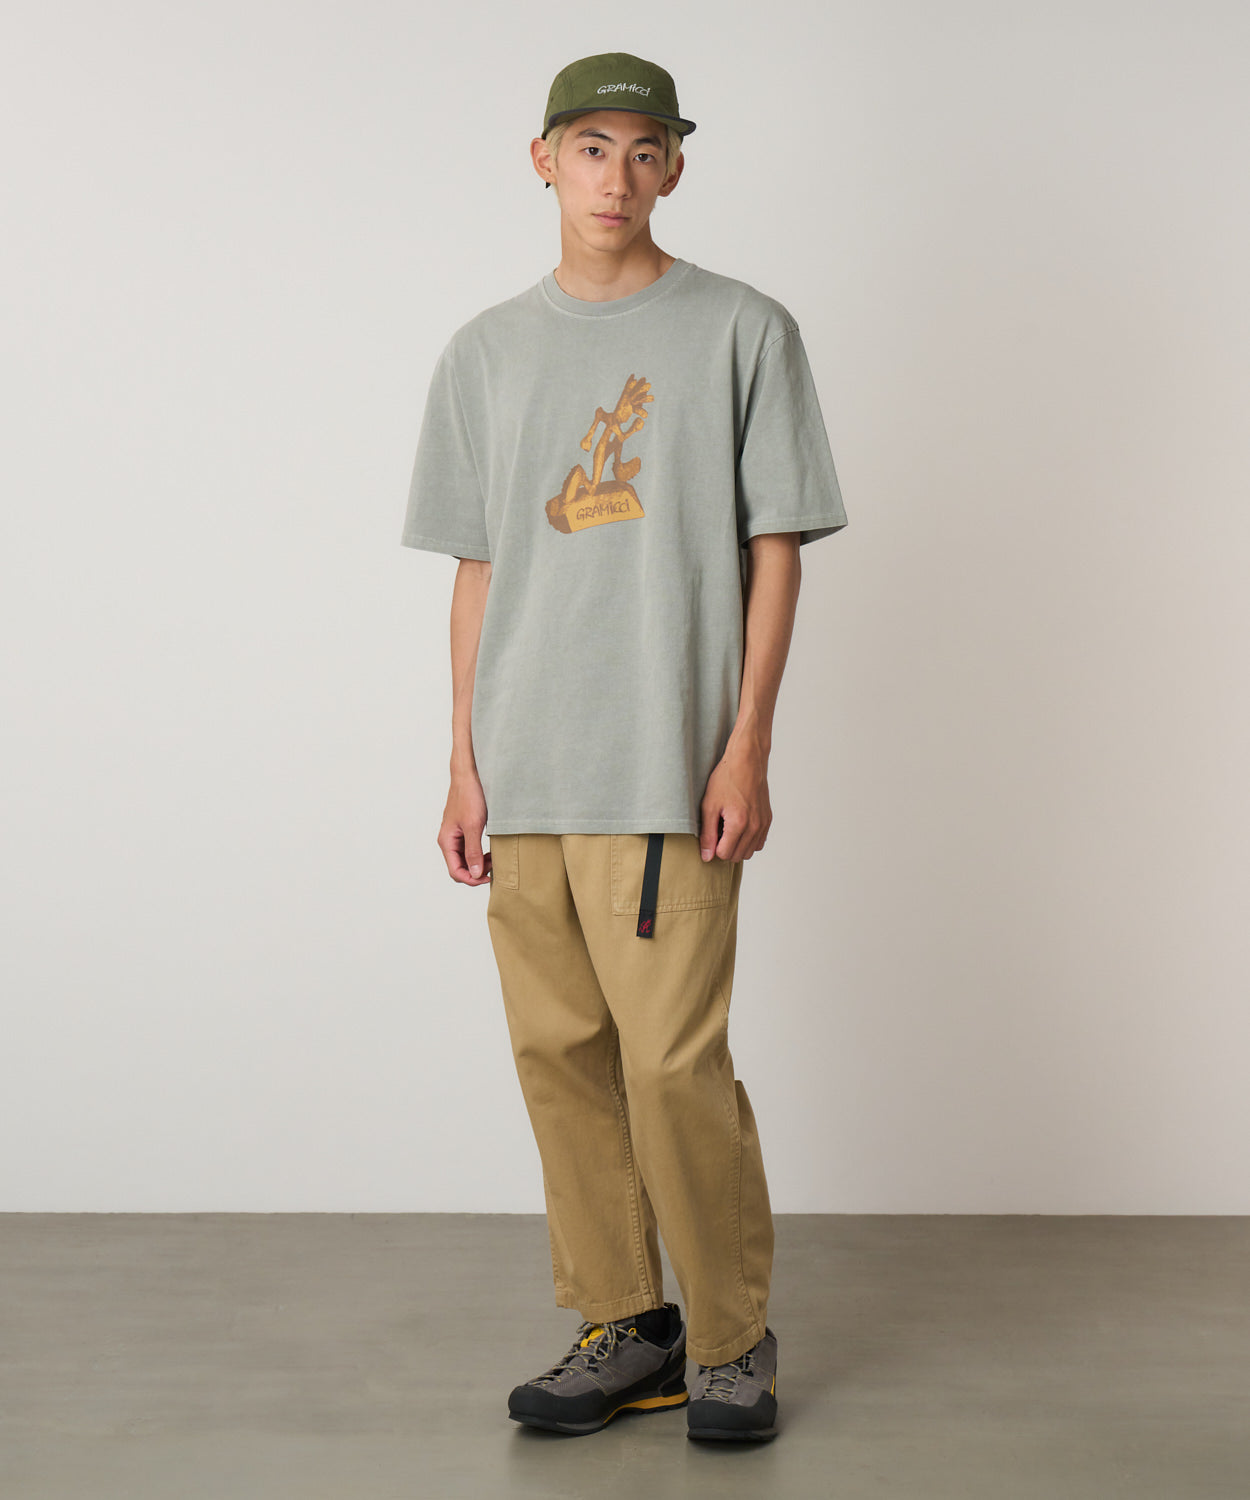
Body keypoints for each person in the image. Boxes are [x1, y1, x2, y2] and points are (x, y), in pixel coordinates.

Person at [401, 51, 847, 1444]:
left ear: (675, 168)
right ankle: (627, 1324)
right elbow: (478, 570)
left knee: (670, 1068)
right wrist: (463, 761)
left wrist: (746, 745)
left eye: (644, 149)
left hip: (666, 767)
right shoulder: (484, 351)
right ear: (543, 161)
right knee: (562, 1060)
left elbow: (776, 550)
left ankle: (728, 1337)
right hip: (525, 768)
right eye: (591, 147)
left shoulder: (741, 330)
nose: (617, 175)